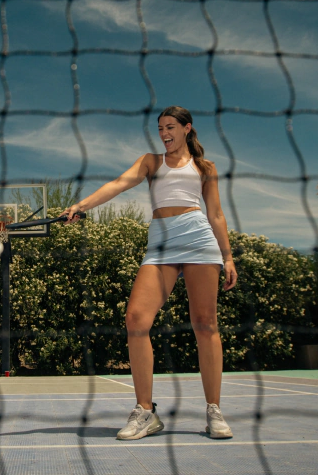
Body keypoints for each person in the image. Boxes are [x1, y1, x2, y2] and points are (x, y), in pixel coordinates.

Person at [62, 106, 238, 441]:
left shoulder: (205, 167)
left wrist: (227, 257)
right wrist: (81, 206)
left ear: (187, 128)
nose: (164, 133)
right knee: (136, 318)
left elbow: (215, 214)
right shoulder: (150, 162)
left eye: (170, 127)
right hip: (161, 242)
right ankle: (145, 412)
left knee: (205, 323)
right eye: (160, 128)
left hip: (199, 238)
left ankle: (214, 409)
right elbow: (118, 184)